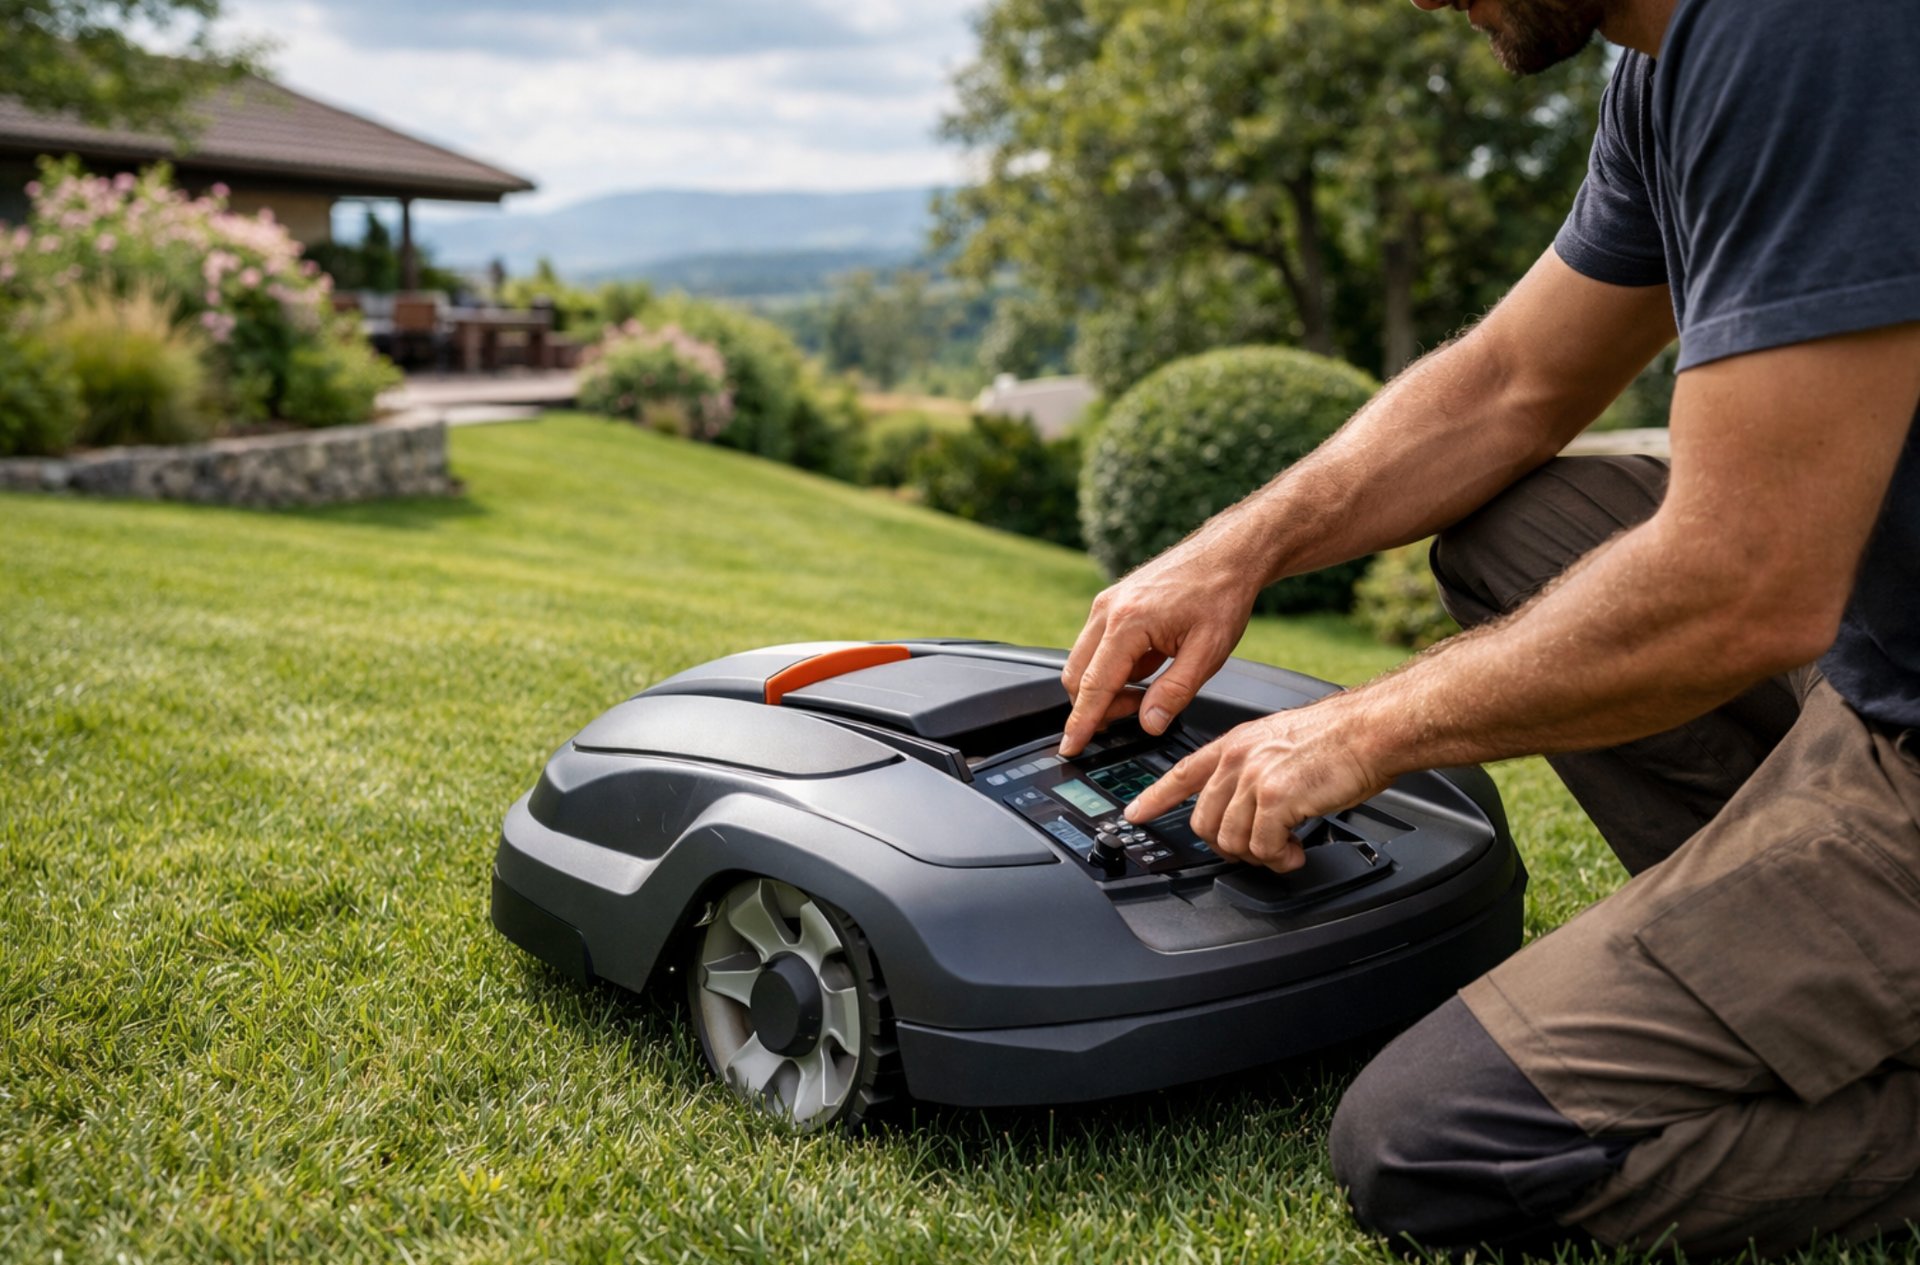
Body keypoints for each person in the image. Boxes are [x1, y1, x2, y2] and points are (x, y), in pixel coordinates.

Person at [1056, 0, 1920, 1254]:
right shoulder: (1669, 67)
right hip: (1878, 657)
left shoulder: (1806, 27)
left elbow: (1748, 579)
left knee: (1438, 1142)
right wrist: (1235, 548)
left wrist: (1361, 728)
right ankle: (1789, 949)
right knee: (1523, 532)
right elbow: (1515, 381)